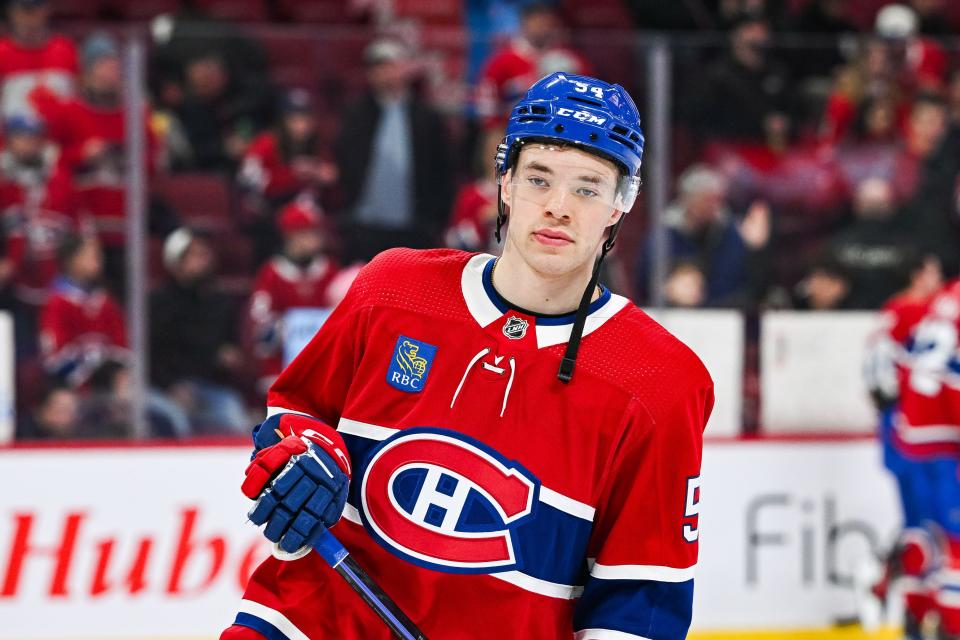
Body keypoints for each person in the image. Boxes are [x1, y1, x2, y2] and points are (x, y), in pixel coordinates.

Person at [222, 73, 714, 639]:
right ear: (503, 182)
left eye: (588, 187)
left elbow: (641, 602)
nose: (558, 207)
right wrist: (306, 457)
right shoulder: (392, 289)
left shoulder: (661, 382)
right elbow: (298, 409)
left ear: (619, 205)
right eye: (538, 178)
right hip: (306, 624)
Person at [333, 39, 454, 263]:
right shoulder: (355, 114)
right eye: (377, 68)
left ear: (404, 68)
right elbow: (343, 160)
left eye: (390, 65)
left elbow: (443, 169)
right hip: (365, 224)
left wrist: (436, 218)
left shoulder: (427, 117)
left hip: (414, 225)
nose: (385, 73)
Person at [243, 201, 353, 395]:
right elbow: (260, 329)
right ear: (290, 236)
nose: (315, 240)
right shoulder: (271, 275)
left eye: (316, 233)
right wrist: (272, 371)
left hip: (325, 367)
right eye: (306, 233)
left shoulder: (330, 271)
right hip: (284, 367)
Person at [150, 227, 247, 434]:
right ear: (176, 261)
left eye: (205, 254)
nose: (203, 260)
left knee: (234, 415)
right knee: (176, 421)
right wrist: (170, 385)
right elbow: (152, 353)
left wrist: (230, 356)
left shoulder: (219, 301)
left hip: (208, 385)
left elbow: (229, 345)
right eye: (195, 255)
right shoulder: (159, 303)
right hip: (166, 385)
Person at [38, 234, 127, 387]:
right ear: (71, 260)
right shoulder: (57, 303)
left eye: (99, 256)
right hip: (73, 389)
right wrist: (89, 366)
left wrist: (108, 367)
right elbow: (54, 359)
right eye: (91, 256)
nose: (98, 261)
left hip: (111, 387)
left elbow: (123, 347)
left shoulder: (106, 301)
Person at [0, 0, 77, 120]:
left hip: (61, 136)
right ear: (11, 13)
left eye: (35, 11)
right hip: (14, 135)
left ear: (46, 11)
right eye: (23, 11)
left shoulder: (65, 49)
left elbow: (79, 100)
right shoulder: (2, 52)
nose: (29, 19)